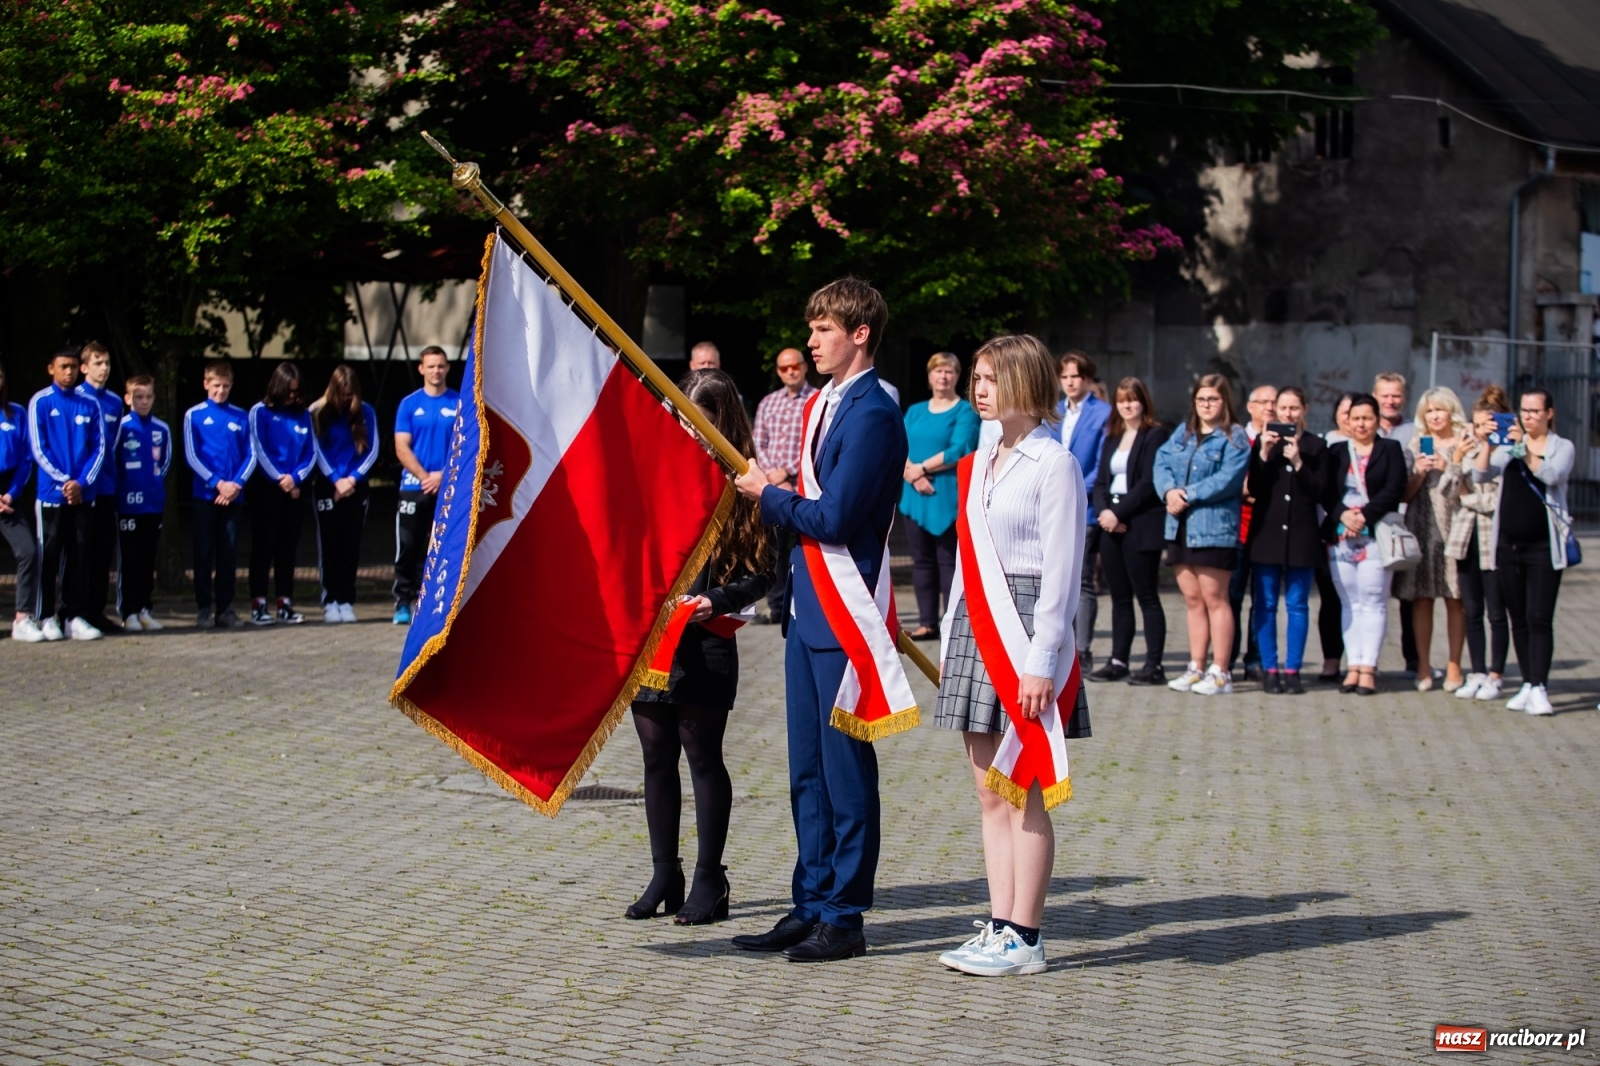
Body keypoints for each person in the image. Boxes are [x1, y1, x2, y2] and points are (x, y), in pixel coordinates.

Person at [730, 277, 909, 963]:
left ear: (860, 333)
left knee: (843, 770)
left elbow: (836, 517)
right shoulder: (826, 403)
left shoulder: (872, 413)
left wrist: (771, 496)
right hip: (807, 609)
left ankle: (846, 914)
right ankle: (810, 902)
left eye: (824, 329)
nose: (810, 341)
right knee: (804, 768)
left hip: (844, 612)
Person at [933, 333, 1086, 977]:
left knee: (1024, 788)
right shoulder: (984, 454)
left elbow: (1062, 571)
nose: (978, 388)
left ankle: (1027, 934)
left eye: (991, 378)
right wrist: (948, 638)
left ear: (1026, 382)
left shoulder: (1055, 464)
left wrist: (1043, 660)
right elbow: (969, 563)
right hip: (975, 622)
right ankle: (999, 925)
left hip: (1026, 630)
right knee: (989, 792)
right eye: (975, 377)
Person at [627, 368, 775, 925]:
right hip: (654, 637)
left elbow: (764, 572)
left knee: (702, 756)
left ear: (724, 425)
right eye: (684, 422)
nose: (691, 434)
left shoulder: (746, 484)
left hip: (708, 637)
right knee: (654, 753)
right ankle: (666, 871)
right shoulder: (657, 472)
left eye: (702, 426)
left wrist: (716, 598)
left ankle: (712, 880)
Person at [1472, 388, 1574, 717]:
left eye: (1534, 411)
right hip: (1507, 546)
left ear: (1549, 413)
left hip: (1544, 547)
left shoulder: (1562, 447)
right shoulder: (1509, 446)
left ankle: (1540, 686)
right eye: (1524, 411)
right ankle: (1528, 684)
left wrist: (1525, 450)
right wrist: (1487, 444)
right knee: (1519, 619)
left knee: (1539, 618)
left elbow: (1551, 474)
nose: (1528, 416)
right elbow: (1481, 474)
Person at [1153, 374, 1251, 696]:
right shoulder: (1184, 432)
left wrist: (1186, 493)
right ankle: (1196, 666)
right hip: (1179, 527)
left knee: (1215, 600)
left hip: (1213, 529)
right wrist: (1169, 492)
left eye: (1213, 399)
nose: (1206, 405)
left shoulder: (1235, 437)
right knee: (1193, 601)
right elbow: (1161, 463)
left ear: (1225, 402)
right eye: (1201, 399)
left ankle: (1221, 671)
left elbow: (1228, 480)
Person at [1320, 393, 1407, 695]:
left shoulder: (1390, 449)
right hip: (1341, 538)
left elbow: (1395, 489)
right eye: (1355, 418)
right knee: (1349, 602)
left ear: (1376, 419)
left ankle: (1369, 667)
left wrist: (1363, 517)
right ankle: (1353, 666)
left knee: (1373, 601)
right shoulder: (1336, 451)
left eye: (1367, 418)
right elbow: (1326, 492)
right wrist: (1344, 517)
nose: (1360, 424)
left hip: (1376, 536)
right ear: (1346, 420)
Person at [1088, 377, 1169, 685]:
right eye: (1122, 399)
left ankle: (1153, 665)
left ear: (1143, 402)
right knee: (1120, 597)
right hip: (1110, 523)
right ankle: (1118, 659)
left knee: (1146, 596)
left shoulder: (1155, 434)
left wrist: (1117, 513)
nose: (1127, 405)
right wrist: (1105, 513)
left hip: (1140, 523)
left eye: (1133, 399)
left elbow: (1148, 483)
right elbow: (1100, 482)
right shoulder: (1112, 436)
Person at [1246, 386, 1326, 695]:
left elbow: (1321, 491)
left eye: (1294, 408)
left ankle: (1293, 669)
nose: (1288, 414)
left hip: (1302, 537)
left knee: (1297, 605)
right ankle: (1270, 669)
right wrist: (1264, 454)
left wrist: (1299, 462)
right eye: (1283, 408)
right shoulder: (1263, 443)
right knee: (1264, 604)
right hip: (1267, 535)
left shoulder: (1317, 446)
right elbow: (1254, 487)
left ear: (1305, 409)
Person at [899, 352, 981, 639]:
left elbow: (961, 449)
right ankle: (926, 623)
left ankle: (952, 624)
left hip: (947, 495)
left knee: (948, 562)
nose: (943, 376)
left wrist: (919, 469)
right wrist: (911, 473)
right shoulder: (916, 411)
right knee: (920, 561)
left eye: (949, 372)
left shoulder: (965, 411)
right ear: (929, 375)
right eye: (938, 371)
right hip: (913, 493)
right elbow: (899, 444)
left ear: (957, 377)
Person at [30, 348, 106, 641]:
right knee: (48, 555)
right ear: (51, 368)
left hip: (83, 495)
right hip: (52, 493)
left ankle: (73, 615)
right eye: (63, 366)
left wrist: (82, 483)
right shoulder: (41, 401)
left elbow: (99, 447)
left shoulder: (90, 403)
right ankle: (45, 616)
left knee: (79, 555)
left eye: (74, 367)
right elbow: (39, 448)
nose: (69, 372)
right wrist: (65, 482)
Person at [1396, 388, 1469, 691]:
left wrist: (1449, 466)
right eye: (1429, 411)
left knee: (1456, 598)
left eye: (1440, 410)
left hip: (1456, 526)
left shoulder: (1466, 442)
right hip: (1422, 526)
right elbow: (1404, 495)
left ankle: (1455, 666)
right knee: (1421, 598)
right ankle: (1423, 667)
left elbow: (1472, 492)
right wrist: (1420, 475)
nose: (1435, 416)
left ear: (1451, 411)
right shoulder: (1415, 444)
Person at [1447, 389, 1511, 703]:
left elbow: (1495, 501)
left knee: (1496, 613)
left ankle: (1497, 674)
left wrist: (1465, 498)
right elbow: (1446, 490)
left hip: (1493, 539)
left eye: (1487, 423)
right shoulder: (1467, 448)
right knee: (1471, 610)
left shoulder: (1508, 451)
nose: (1481, 429)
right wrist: (1457, 459)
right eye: (1477, 424)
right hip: (1464, 539)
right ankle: (1477, 671)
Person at [184, 360, 254, 629]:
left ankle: (225, 608)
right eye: (216, 386)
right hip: (205, 496)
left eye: (225, 386)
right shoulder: (195, 415)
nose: (221, 391)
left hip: (233, 496)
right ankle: (204, 608)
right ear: (206, 384)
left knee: (229, 554)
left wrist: (235, 484)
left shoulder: (240, 415)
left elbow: (251, 454)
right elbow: (191, 455)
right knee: (203, 552)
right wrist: (217, 483)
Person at [393, 347, 459, 625]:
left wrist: (442, 476)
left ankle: (435, 603)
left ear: (447, 368)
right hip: (414, 485)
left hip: (449, 487)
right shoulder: (409, 404)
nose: (436, 371)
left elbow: (464, 446)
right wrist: (423, 476)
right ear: (421, 369)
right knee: (408, 546)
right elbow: (401, 446)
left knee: (445, 546)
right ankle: (402, 602)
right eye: (431, 366)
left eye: (441, 366)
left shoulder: (459, 402)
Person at [247, 362, 315, 625]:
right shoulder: (259, 412)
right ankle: (258, 604)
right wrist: (279, 479)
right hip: (267, 490)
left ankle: (285, 602)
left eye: (296, 392)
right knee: (263, 547)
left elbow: (310, 453)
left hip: (294, 490)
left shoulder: (304, 414)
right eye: (288, 391)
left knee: (288, 549)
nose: (292, 396)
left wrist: (295, 479)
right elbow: (258, 450)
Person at [751, 347, 816, 624]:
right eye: (784, 368)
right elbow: (758, 443)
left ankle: (804, 607)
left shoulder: (818, 399)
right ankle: (776, 608)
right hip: (772, 487)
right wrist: (774, 476)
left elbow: (813, 444)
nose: (790, 371)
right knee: (773, 551)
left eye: (795, 366)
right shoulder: (768, 402)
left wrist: (788, 473)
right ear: (778, 372)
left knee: (804, 551)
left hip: (804, 487)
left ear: (804, 366)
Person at [311, 365, 379, 623]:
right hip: (328, 485)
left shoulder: (366, 412)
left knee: (350, 544)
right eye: (343, 394)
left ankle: (347, 599)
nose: (347, 399)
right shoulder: (318, 412)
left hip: (355, 485)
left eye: (351, 394)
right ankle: (330, 601)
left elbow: (372, 451)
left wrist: (351, 480)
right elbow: (316, 449)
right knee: (328, 544)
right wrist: (335, 480)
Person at [1056, 352, 1110, 672]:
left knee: (1083, 579)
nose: (1070, 382)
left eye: (1076, 376)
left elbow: (1102, 464)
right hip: (1051, 508)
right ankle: (1060, 644)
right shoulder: (1054, 411)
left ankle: (1084, 648)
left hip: (1084, 504)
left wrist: (1074, 487)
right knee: (1057, 579)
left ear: (1087, 378)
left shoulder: (1103, 413)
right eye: (1065, 377)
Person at [113, 375, 171, 632]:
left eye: (148, 396)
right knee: (130, 559)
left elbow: (164, 464)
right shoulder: (122, 427)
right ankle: (128, 611)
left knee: (148, 559)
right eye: (138, 396)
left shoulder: (162, 428)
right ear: (128, 399)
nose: (144, 401)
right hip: (127, 505)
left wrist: (154, 486)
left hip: (153, 504)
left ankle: (145, 608)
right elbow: (114, 463)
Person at [75, 341, 125, 632]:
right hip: (82, 489)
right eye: (98, 363)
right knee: (81, 552)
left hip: (107, 488)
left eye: (106, 363)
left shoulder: (116, 402)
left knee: (103, 554)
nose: (104, 368)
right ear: (84, 368)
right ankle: (74, 611)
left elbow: (113, 446)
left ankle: (96, 611)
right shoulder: (77, 397)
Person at [1374, 371, 1421, 676]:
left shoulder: (1416, 432)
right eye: (1385, 395)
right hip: (1369, 521)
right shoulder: (1362, 427)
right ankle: (1366, 661)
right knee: (1371, 596)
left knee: (1408, 594)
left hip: (1405, 521)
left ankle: (1414, 661)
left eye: (1396, 395)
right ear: (1375, 395)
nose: (1390, 401)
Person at [1230, 384, 1278, 680]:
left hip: (1267, 532)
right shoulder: (1236, 438)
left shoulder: (1282, 441)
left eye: (1274, 402)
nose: (1269, 408)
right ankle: (1227, 659)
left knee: (1263, 599)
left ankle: (1255, 659)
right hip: (1236, 529)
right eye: (1264, 402)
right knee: (1232, 598)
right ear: (1250, 406)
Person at [0, 361, 44, 642]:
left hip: (7, 496)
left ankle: (22, 618)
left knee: (28, 551)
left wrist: (10, 494)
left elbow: (26, 460)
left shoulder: (16, 412)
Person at [1314, 394, 1354, 680]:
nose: (1351, 418)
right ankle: (1331, 659)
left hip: (1365, 534)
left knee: (1362, 602)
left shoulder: (1376, 447)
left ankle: (1360, 662)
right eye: (1346, 412)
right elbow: (1321, 490)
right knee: (1330, 600)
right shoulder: (1323, 445)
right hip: (1328, 532)